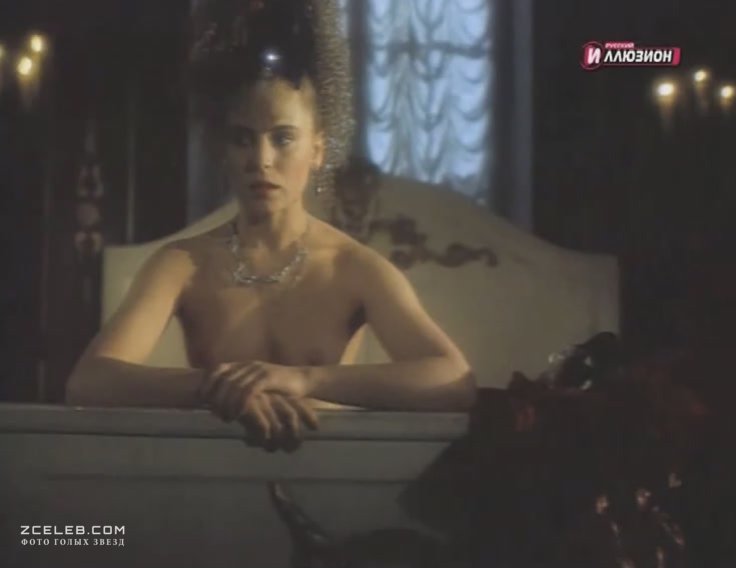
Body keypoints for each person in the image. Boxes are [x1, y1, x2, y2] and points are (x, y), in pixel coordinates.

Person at [65, 0, 476, 450]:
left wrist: (304, 379)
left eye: (283, 138)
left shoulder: (352, 267)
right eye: (242, 139)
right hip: (213, 475)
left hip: (330, 472)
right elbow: (89, 382)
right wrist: (218, 388)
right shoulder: (182, 264)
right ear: (223, 151)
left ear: (317, 150)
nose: (261, 160)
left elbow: (453, 381)